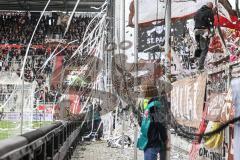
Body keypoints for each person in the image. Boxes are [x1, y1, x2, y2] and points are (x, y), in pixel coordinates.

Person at [137, 81, 168, 160]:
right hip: (150, 141)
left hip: (152, 142)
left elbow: (159, 123)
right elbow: (146, 123)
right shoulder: (151, 104)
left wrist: (164, 138)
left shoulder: (154, 105)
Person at [194, 2, 215, 71]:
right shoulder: (210, 12)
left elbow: (195, 19)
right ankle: (200, 67)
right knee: (205, 49)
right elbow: (211, 24)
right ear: (211, 7)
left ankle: (196, 63)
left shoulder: (198, 11)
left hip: (196, 31)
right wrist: (212, 33)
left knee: (199, 47)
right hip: (204, 31)